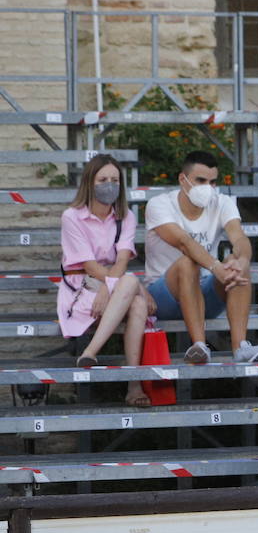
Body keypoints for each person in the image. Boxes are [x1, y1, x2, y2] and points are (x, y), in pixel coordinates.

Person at [143, 150, 258, 365]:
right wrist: (215, 267)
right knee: (188, 262)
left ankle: (240, 347)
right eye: (201, 180)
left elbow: (239, 237)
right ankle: (199, 345)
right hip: (163, 295)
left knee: (236, 263)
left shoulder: (222, 202)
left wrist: (241, 262)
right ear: (182, 179)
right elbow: (184, 242)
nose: (208, 188)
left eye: (213, 182)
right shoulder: (159, 204)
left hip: (203, 292)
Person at [59, 154, 154, 406]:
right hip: (82, 288)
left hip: (113, 288)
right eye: (103, 179)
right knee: (133, 286)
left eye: (114, 179)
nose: (109, 184)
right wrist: (112, 286)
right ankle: (128, 382)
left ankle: (123, 377)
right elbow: (89, 265)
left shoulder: (126, 217)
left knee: (137, 300)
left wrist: (109, 288)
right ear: (90, 182)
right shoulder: (72, 216)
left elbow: (122, 260)